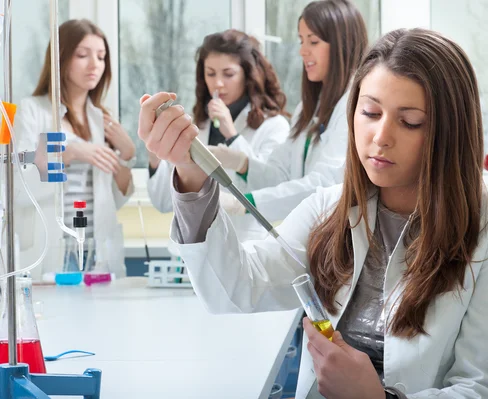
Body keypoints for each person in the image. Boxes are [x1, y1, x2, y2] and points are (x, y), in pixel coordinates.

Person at [138, 28, 488, 399]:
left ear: (451, 131)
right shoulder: (330, 210)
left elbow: (484, 389)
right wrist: (190, 170)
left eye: (411, 121)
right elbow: (236, 286)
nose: (381, 137)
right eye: (369, 113)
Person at [205, 0, 368, 223]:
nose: (302, 51)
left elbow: (326, 184)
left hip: (338, 235)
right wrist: (242, 163)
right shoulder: (307, 111)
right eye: (301, 41)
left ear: (342, 44)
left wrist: (245, 202)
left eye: (313, 41)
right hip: (310, 237)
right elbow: (280, 175)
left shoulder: (356, 106)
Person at [14, 19, 134, 280]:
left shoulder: (102, 119)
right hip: (53, 248)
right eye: (83, 55)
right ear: (61, 58)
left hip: (95, 251)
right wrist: (71, 154)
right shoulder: (32, 110)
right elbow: (19, 187)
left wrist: (127, 156)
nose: (95, 65)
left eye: (101, 57)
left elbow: (114, 199)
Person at [146, 29, 289, 240]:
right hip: (194, 250)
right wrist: (154, 150)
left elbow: (271, 192)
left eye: (228, 74)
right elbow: (163, 202)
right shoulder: (196, 125)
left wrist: (232, 135)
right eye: (210, 73)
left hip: (246, 247)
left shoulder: (274, 126)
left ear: (248, 75)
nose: (218, 83)